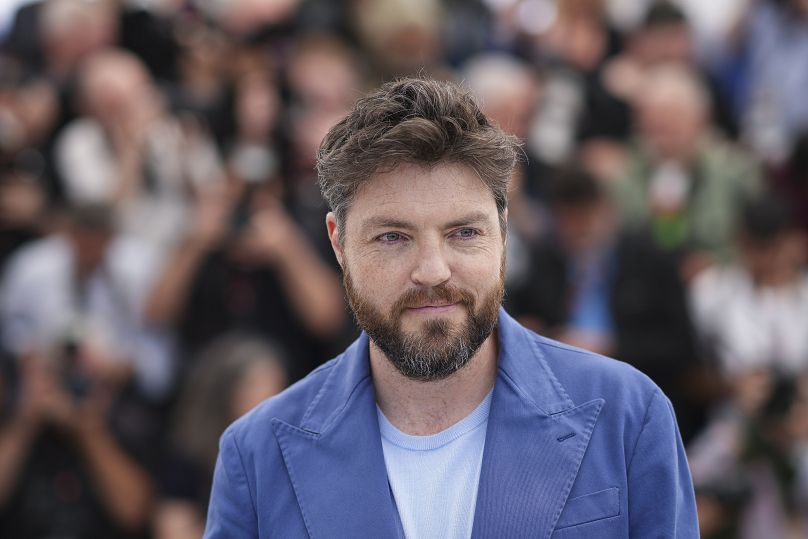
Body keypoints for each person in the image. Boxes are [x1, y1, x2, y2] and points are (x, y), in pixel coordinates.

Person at [203, 77, 698, 538]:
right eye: (393, 237)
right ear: (338, 243)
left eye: (464, 233)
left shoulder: (630, 414)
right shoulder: (255, 457)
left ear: (503, 230)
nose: (433, 270)